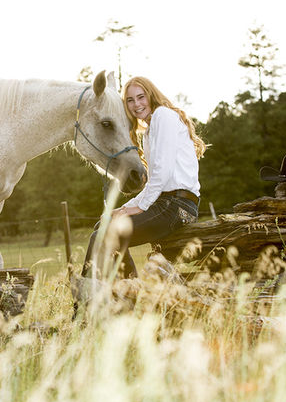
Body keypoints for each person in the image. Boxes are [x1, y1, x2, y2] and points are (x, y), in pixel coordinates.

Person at [82, 76, 207, 279]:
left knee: (104, 235)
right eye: (130, 100)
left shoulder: (163, 116)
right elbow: (153, 184)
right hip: (166, 203)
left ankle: (90, 294)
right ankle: (128, 287)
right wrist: (124, 209)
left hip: (178, 207)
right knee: (103, 226)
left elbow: (162, 174)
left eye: (141, 97)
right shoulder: (149, 130)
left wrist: (138, 207)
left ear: (151, 95)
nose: (136, 104)